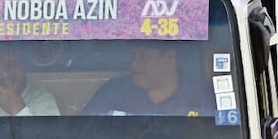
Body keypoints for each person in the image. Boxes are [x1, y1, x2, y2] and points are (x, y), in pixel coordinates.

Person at [83, 42, 212, 116]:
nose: (133, 65)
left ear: (170, 57)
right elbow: (83, 134)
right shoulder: (113, 92)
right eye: (133, 56)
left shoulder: (203, 97)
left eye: (144, 57)